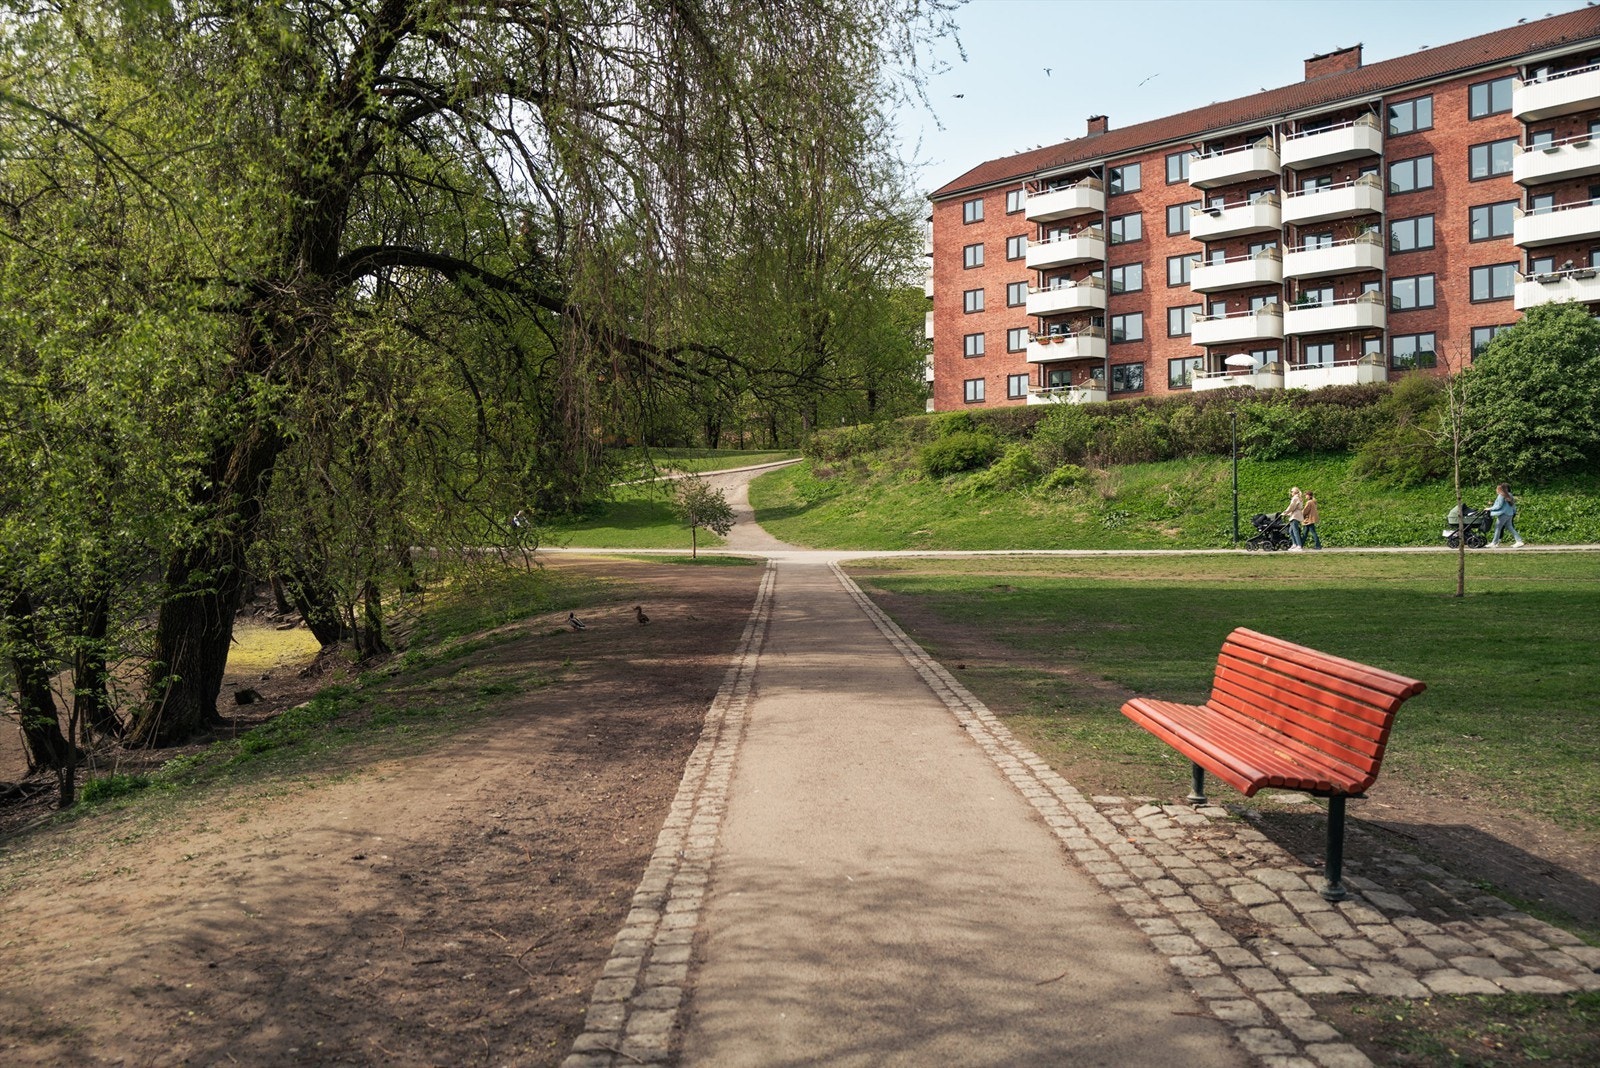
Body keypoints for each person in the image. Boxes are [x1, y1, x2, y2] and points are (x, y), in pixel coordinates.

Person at [1283, 486, 1305, 551]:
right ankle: (1294, 544)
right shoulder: (1298, 498)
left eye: (1292, 491)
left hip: (1295, 516)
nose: (1291, 492)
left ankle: (1299, 545)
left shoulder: (1295, 498)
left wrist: (1285, 512)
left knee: (1295, 531)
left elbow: (1292, 507)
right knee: (1291, 531)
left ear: (1295, 492)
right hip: (1295, 515)